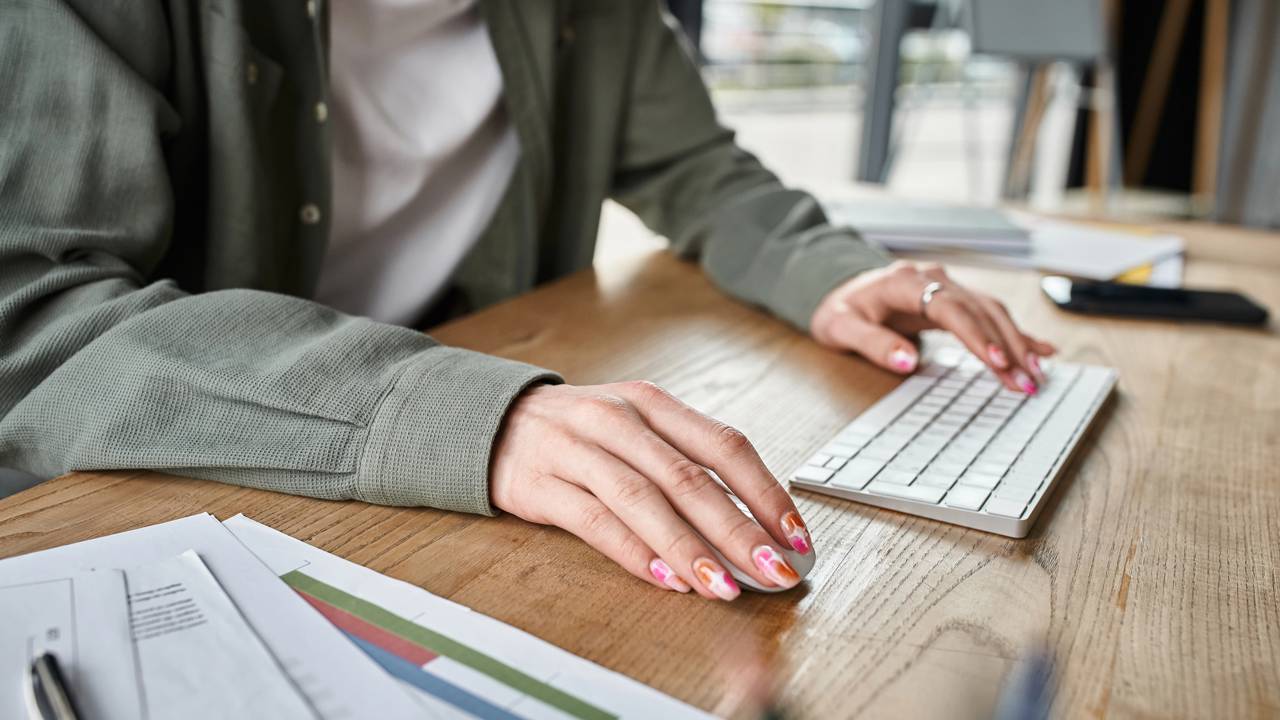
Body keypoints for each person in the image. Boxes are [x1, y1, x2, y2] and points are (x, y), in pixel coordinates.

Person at [0, 0, 1053, 602]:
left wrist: (830, 271)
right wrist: (471, 417)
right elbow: (32, 310)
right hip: (165, 501)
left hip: (427, 494)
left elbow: (700, 172)